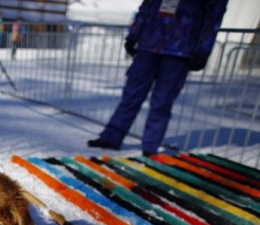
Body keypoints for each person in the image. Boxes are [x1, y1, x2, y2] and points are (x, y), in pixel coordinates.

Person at [88, 0, 228, 156]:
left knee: (162, 102)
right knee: (131, 95)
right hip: (149, 43)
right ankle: (111, 138)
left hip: (180, 49)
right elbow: (147, 6)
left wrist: (203, 50)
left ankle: (150, 147)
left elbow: (214, 17)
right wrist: (134, 35)